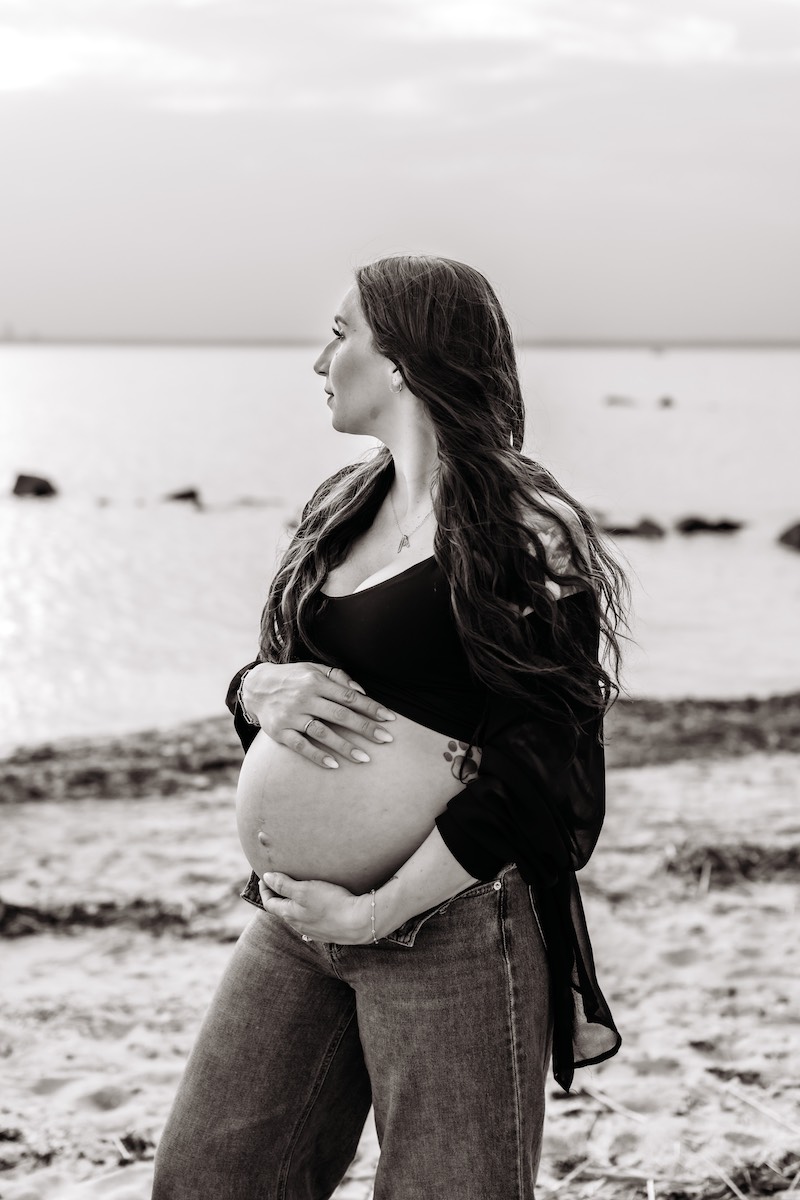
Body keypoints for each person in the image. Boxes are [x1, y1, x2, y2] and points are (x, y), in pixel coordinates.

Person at [152, 254, 628, 1200]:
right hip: (295, 918)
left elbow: (545, 764)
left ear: (402, 358)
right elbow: (289, 680)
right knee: (210, 1179)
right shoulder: (343, 506)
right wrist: (253, 690)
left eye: (339, 333)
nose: (319, 359)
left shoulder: (527, 531)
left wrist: (377, 910)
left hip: (449, 926)